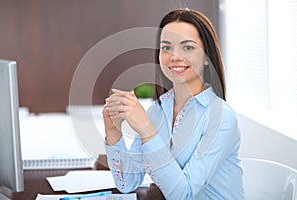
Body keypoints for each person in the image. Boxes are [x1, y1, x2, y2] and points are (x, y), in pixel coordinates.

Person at [102, 9, 245, 199]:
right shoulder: (157, 110)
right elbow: (127, 183)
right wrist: (113, 131)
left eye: (187, 47)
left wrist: (146, 130)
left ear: (206, 57)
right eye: (166, 47)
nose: (174, 57)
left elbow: (183, 194)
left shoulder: (221, 117)